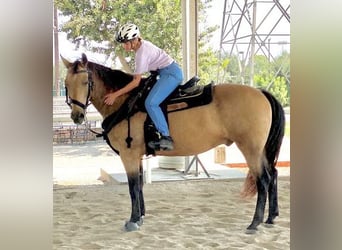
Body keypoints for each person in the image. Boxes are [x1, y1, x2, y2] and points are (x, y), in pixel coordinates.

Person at [104, 23, 183, 151]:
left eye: (126, 42)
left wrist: (115, 95)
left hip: (170, 74)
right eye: (123, 43)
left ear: (134, 40)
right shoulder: (141, 47)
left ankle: (166, 138)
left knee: (151, 103)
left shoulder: (141, 53)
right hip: (163, 73)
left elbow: (136, 82)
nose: (124, 46)